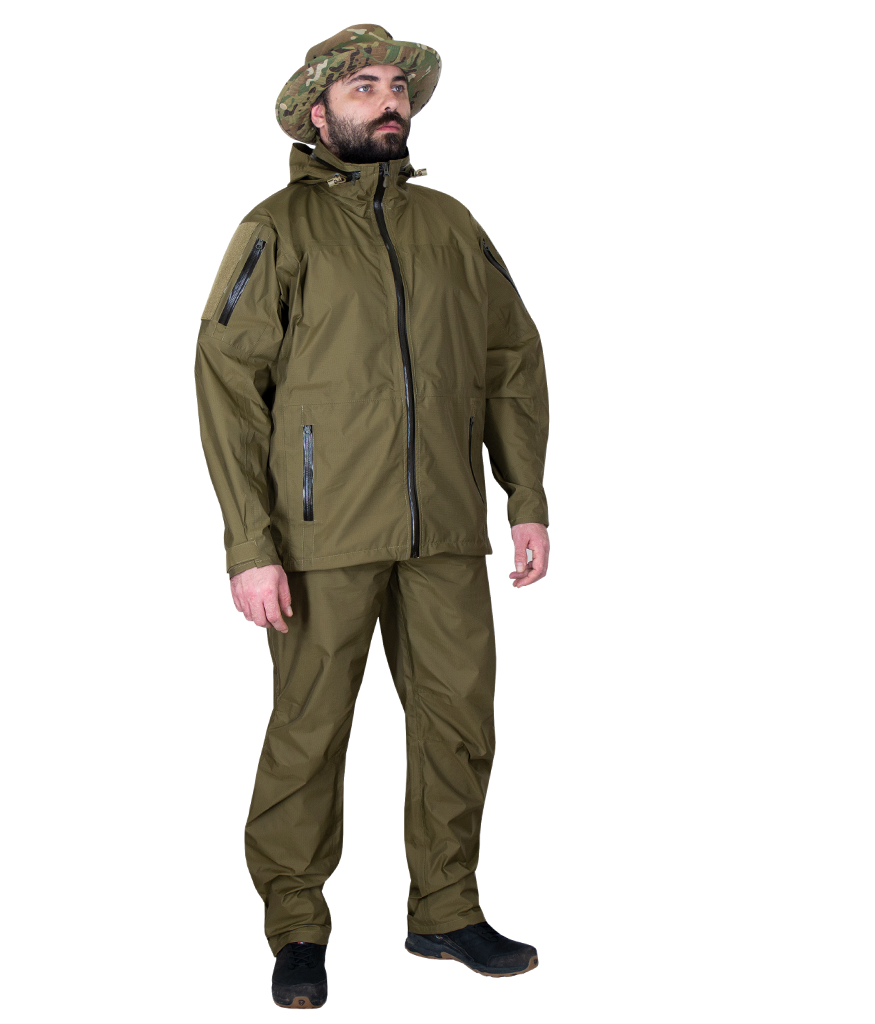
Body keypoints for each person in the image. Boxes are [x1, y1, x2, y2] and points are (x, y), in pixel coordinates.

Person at [195, 24, 549, 1010]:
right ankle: (296, 925)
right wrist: (251, 545)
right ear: (319, 114)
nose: (389, 99)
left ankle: (444, 904)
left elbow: (509, 364)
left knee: (457, 719)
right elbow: (228, 385)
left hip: (447, 522)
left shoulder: (452, 228)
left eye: (398, 86)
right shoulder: (280, 228)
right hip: (321, 531)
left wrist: (526, 501)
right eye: (363, 87)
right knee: (308, 730)